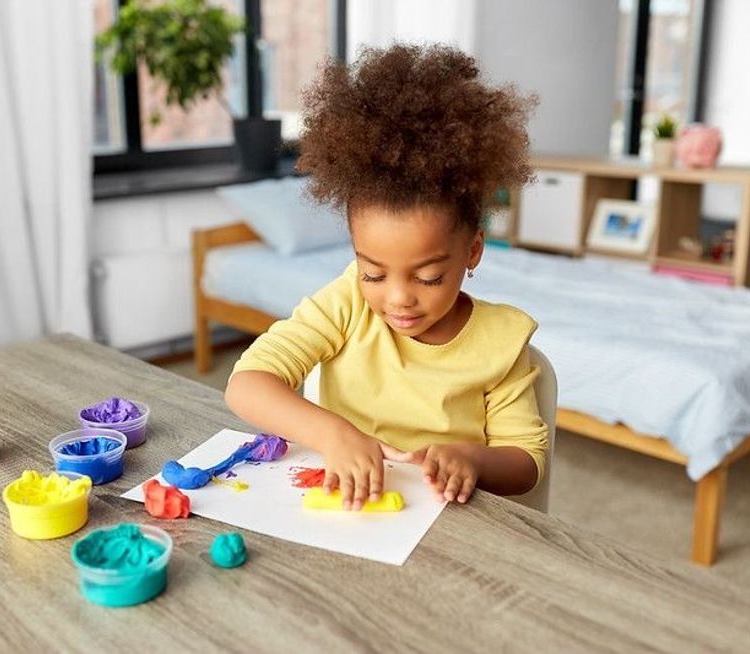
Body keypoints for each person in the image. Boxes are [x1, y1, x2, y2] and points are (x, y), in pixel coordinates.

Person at [224, 44, 547, 511]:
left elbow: (527, 464)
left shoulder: (502, 341)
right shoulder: (347, 301)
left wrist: (473, 459)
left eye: (430, 277)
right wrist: (335, 434)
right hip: (344, 508)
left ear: (473, 250)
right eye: (372, 272)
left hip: (446, 524)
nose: (398, 299)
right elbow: (247, 383)